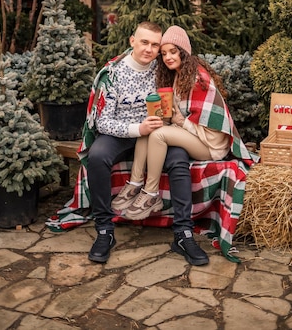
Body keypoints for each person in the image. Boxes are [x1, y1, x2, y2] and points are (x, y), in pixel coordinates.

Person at [83, 21, 209, 266]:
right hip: (121, 134)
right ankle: (104, 230)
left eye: (155, 45)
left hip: (156, 134)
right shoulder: (113, 74)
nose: (150, 50)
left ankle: (183, 234)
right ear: (132, 41)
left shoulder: (161, 69)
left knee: (179, 159)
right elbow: (102, 122)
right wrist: (136, 129)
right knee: (98, 156)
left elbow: (186, 78)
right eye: (144, 42)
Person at [112, 25, 254, 227]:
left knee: (158, 134)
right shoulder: (179, 75)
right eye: (164, 53)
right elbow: (180, 116)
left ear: (184, 52)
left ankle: (151, 193)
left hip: (210, 146)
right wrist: (168, 117)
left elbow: (211, 133)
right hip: (193, 134)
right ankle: (135, 183)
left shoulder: (198, 79)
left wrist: (179, 121)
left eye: (173, 51)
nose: (168, 57)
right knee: (150, 126)